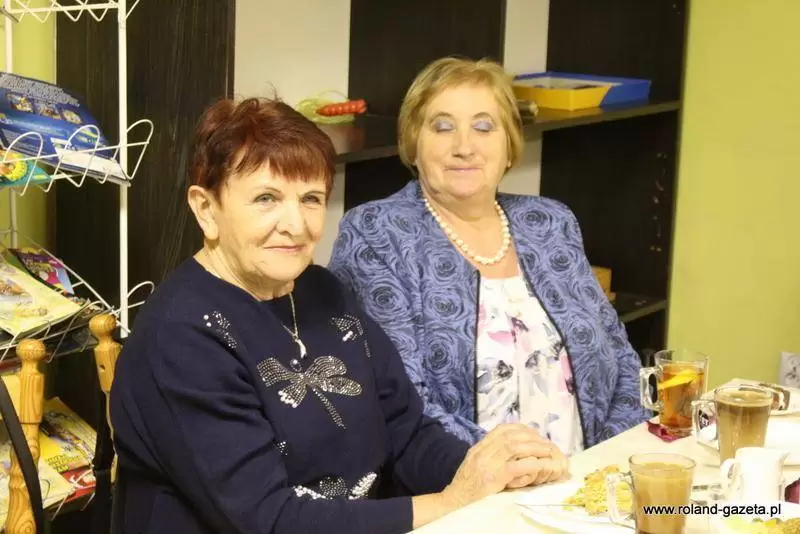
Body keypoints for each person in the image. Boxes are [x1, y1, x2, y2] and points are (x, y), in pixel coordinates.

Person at [109, 97, 569, 534]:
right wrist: (452, 501)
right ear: (206, 209)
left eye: (311, 198)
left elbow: (407, 432)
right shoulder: (180, 339)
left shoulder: (321, 290)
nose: (295, 225)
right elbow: (269, 521)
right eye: (266, 198)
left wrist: (491, 473)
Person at [328, 57, 651, 455]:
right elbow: (401, 400)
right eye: (442, 127)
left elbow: (621, 357)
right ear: (412, 145)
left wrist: (603, 462)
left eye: (483, 127)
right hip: (465, 482)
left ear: (509, 147)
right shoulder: (376, 233)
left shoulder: (550, 222)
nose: (464, 147)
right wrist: (521, 468)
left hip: (585, 479)